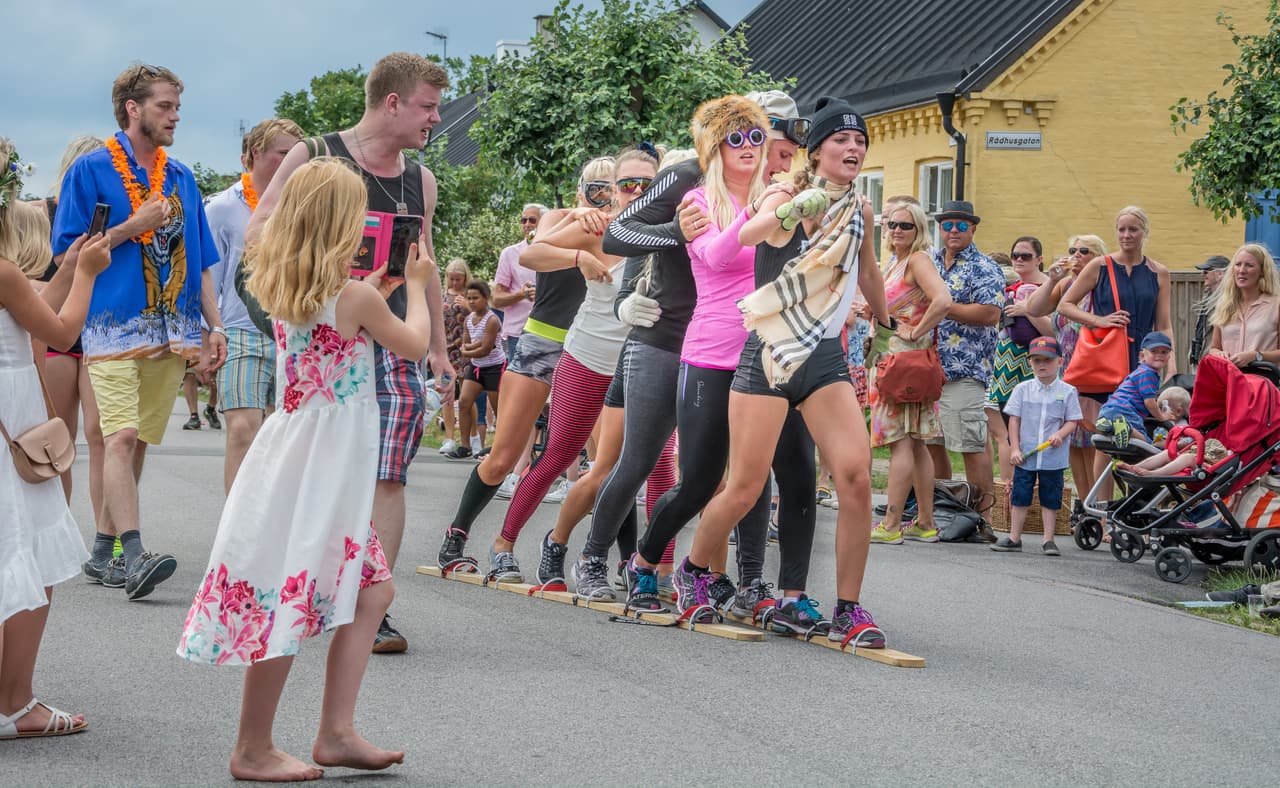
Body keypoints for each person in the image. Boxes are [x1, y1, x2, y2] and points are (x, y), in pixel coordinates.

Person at [177, 158, 428, 781]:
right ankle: (253, 747)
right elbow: (416, 344)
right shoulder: (356, 296)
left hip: (299, 451)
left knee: (372, 592)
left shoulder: (292, 285)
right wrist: (418, 285)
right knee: (287, 598)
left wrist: (377, 293)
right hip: (325, 467)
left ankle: (336, 731)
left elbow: (345, 323)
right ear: (344, 223)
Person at [249, 52, 455, 654]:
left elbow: (427, 263)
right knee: (319, 472)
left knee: (388, 474)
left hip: (394, 341)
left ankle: (369, 609)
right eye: (427, 106)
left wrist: (439, 349)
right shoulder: (314, 156)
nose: (435, 119)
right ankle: (305, 589)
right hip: (326, 336)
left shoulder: (421, 180)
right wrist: (337, 266)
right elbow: (260, 234)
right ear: (392, 102)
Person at [676, 96, 893, 647]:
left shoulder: (860, 209)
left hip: (822, 356)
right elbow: (750, 236)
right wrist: (793, 208)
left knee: (855, 475)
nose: (854, 148)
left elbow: (866, 269)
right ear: (817, 150)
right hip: (770, 351)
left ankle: (849, 607)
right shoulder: (784, 190)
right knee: (745, 487)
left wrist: (891, 319)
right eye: (841, 140)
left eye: (860, 141)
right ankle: (695, 572)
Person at [582, 91, 810, 614]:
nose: (755, 144)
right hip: (677, 339)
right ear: (715, 144)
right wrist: (663, 248)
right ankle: (607, 560)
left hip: (759, 350)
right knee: (661, 467)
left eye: (763, 134)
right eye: (741, 135)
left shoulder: (779, 191)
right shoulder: (690, 183)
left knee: (751, 477)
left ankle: (748, 581)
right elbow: (621, 234)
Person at [52, 63, 226, 600]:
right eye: (164, 106)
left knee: (141, 441)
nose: (175, 116)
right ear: (133, 108)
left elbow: (199, 262)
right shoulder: (90, 170)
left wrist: (214, 326)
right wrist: (131, 227)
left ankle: (104, 552)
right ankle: (134, 555)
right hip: (109, 326)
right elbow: (67, 253)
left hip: (171, 329)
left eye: (176, 107)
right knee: (119, 437)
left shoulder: (183, 178)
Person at [486, 148, 659, 583]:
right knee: (560, 453)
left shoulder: (664, 234)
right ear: (614, 191)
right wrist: (579, 257)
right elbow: (531, 255)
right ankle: (505, 545)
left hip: (634, 365)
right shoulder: (597, 227)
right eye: (627, 185)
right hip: (586, 357)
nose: (637, 192)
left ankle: (632, 562)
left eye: (647, 184)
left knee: (634, 465)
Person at [434, 157, 606, 569]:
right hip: (542, 341)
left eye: (612, 187)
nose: (604, 196)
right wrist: (579, 248)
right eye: (595, 187)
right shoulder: (558, 219)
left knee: (610, 461)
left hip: (591, 350)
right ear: (580, 188)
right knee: (505, 455)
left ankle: (617, 563)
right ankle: (456, 536)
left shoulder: (623, 228)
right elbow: (534, 253)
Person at [0, 153, 112, 739]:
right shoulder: (1, 269)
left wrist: (68, 266)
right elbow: (60, 331)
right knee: (29, 551)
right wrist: (88, 274)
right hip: (11, 421)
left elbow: (29, 306)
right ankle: (15, 705)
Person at [206, 117, 303, 491]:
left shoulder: (300, 206)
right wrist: (207, 333)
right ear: (255, 153)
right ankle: (236, 531)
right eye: (283, 153)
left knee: (282, 435)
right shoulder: (222, 208)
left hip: (291, 331)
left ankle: (269, 522)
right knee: (244, 428)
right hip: (239, 329)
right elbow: (209, 275)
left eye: (296, 154)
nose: (292, 161)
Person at [1057, 206, 1173, 492]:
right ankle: (1104, 511)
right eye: (1121, 229)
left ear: (1145, 232)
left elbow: (1164, 324)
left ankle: (1132, 506)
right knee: (1107, 439)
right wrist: (1100, 320)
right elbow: (1065, 305)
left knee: (1139, 439)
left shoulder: (1159, 272)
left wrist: (1171, 365)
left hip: (1141, 364)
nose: (1126, 235)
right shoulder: (1100, 266)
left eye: (1133, 229)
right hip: (1106, 361)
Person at [868, 200, 953, 545]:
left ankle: (890, 525)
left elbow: (943, 300)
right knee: (916, 444)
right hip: (903, 360)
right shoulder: (896, 262)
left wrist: (915, 331)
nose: (897, 230)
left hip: (902, 363)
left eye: (906, 225)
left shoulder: (917, 260)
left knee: (901, 443)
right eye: (892, 225)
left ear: (919, 230)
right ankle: (925, 521)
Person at [32, 135, 106, 512]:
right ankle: (55, 531)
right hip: (54, 330)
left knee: (102, 437)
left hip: (98, 332)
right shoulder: (39, 213)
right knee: (58, 439)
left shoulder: (112, 220)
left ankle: (107, 541)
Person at [926, 200, 1004, 525]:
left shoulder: (984, 267)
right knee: (932, 443)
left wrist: (942, 306)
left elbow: (989, 313)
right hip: (927, 368)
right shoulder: (928, 261)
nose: (953, 231)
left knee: (971, 444)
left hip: (965, 369)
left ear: (973, 228)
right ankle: (945, 511)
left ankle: (980, 519)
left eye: (961, 225)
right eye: (947, 225)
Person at [1023, 233, 1108, 500]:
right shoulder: (1068, 285)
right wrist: (1052, 279)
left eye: (1085, 251)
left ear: (1098, 258)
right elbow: (1033, 308)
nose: (1077, 255)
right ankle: (1086, 506)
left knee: (1094, 442)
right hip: (1066, 371)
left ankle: (1103, 510)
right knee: (1072, 442)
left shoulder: (1102, 286)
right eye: (1073, 250)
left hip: (1093, 372)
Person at [991, 337, 1082, 555]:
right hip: (1026, 455)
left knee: (1051, 496)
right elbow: (1014, 420)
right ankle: (1014, 537)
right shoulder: (1023, 389)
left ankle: (1048, 540)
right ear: (1030, 362)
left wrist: (1060, 434)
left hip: (1053, 456)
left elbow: (1073, 420)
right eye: (1037, 360)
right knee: (1020, 495)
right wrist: (1015, 448)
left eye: (1048, 361)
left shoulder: (1068, 391)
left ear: (1060, 362)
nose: (1042, 365)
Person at [986, 236, 1054, 485]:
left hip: (1036, 362)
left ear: (1039, 259)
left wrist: (1027, 309)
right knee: (1007, 433)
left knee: (1035, 432)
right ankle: (1009, 489)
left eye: (1025, 255)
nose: (1019, 260)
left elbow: (1054, 332)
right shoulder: (1010, 287)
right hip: (1007, 363)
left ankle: (1033, 490)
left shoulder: (1049, 287)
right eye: (1015, 255)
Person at [490, 204, 544, 495]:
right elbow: (496, 299)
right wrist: (522, 294)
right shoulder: (510, 254)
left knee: (549, 406)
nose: (526, 224)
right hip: (517, 334)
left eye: (532, 220)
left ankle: (542, 468)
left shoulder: (557, 249)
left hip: (552, 333)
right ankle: (513, 467)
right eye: (523, 220)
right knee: (518, 406)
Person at [1093, 331, 1174, 448]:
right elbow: (1149, 402)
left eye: (1164, 352)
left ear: (1169, 356)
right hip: (1126, 412)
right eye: (1154, 351)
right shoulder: (1148, 373)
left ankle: (1109, 425)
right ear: (1142, 355)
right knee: (1144, 443)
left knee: (1117, 443)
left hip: (1109, 409)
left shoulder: (1140, 371)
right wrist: (1161, 416)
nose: (1159, 355)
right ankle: (1127, 428)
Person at [1206, 244, 1280, 366]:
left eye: (1249, 265)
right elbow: (1214, 348)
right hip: (1228, 379)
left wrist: (1256, 356)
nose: (1241, 270)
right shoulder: (1224, 305)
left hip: (1262, 379)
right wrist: (1219, 354)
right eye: (1238, 264)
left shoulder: (1276, 305)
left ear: (1262, 271)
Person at [455, 279, 504, 465]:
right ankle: (465, 446)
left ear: (486, 298)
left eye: (476, 298)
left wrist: (470, 349)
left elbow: (485, 349)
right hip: (476, 367)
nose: (472, 301)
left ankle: (500, 448)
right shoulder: (469, 319)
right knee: (464, 402)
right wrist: (472, 347)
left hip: (494, 367)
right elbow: (465, 343)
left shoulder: (492, 320)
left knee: (499, 410)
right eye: (469, 298)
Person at [438, 258, 473, 458]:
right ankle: (449, 438)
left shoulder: (471, 295)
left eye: (458, 280)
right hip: (446, 351)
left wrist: (468, 305)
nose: (454, 283)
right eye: (451, 279)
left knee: (467, 397)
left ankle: (472, 437)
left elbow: (484, 317)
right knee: (447, 394)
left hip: (466, 352)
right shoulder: (442, 295)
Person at [1189, 254, 1230, 369]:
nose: (1202, 274)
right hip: (1200, 358)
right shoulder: (1208, 296)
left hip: (1213, 362)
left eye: (1206, 271)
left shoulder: (1227, 301)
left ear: (1220, 274)